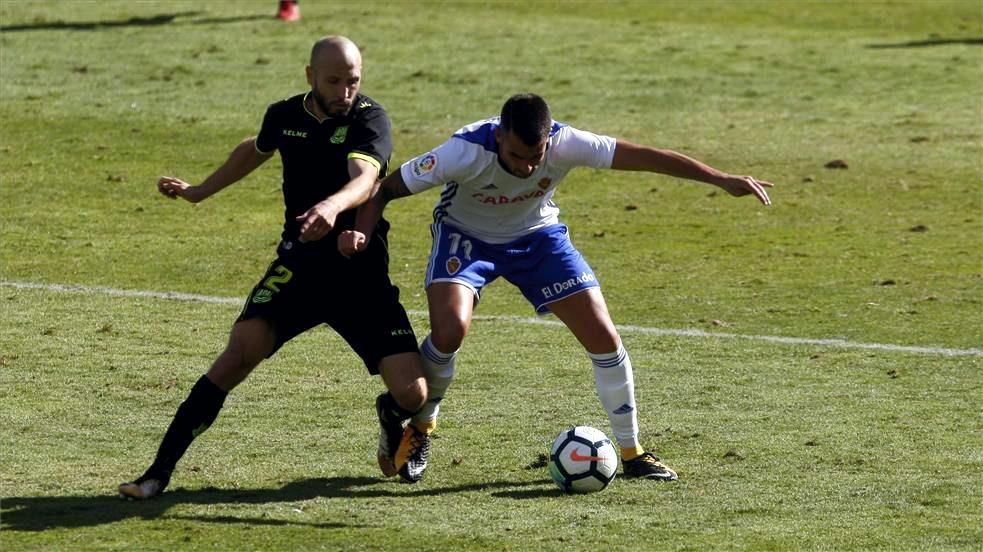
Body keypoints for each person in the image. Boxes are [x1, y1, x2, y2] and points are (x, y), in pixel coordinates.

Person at [339, 93, 773, 483]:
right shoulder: (463, 151)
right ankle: (422, 424)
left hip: (538, 238)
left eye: (536, 156)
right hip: (466, 238)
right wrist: (360, 233)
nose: (527, 166)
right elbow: (382, 190)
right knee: (451, 330)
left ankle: (633, 452)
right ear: (500, 135)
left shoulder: (568, 143)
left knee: (604, 336)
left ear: (549, 139)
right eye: (516, 155)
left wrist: (719, 179)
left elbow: (647, 157)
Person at [119, 36, 426, 500]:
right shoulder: (285, 116)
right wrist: (200, 191)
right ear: (310, 77)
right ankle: (156, 473)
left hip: (358, 272)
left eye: (353, 80)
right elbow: (257, 147)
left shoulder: (370, 119)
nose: (345, 91)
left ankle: (389, 413)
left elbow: (366, 179)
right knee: (236, 356)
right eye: (334, 81)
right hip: (299, 265)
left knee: (413, 394)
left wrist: (330, 206)